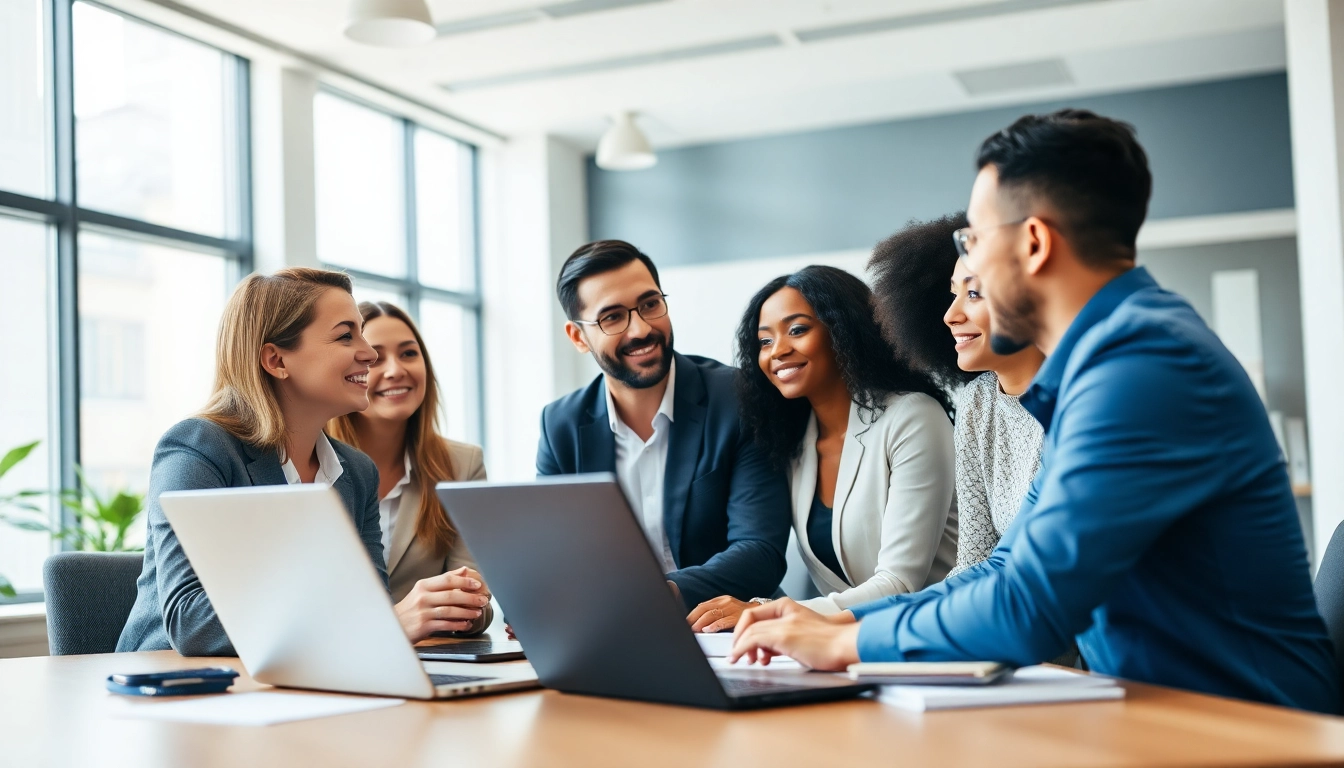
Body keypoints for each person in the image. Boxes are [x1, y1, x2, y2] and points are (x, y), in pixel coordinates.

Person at [729, 109, 1340, 714]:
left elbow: (1030, 607)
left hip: (1251, 728)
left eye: (973, 240)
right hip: (1165, 715)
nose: (964, 272)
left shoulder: (1144, 366)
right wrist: (836, 620)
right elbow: (1002, 567)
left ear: (1034, 243)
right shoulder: (1103, 365)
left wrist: (845, 643)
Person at [117, 268, 484, 656]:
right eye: (346, 336)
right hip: (177, 689)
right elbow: (191, 623)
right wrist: (376, 620)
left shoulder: (357, 472)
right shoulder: (199, 448)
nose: (370, 353)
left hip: (304, 683)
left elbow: (368, 609)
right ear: (276, 360)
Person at [686, 264, 957, 633]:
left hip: (940, 636)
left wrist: (766, 612)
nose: (778, 351)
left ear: (844, 330)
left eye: (797, 330)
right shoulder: (795, 444)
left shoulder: (913, 417)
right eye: (764, 341)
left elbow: (899, 584)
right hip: (855, 646)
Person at [536, 239, 791, 610]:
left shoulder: (738, 398)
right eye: (612, 317)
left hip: (729, 629)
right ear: (578, 337)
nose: (640, 329)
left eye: (650, 304)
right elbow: (550, 557)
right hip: (609, 632)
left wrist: (654, 597)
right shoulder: (560, 425)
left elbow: (760, 551)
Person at [867, 214, 1047, 576]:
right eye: (953, 294)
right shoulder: (978, 403)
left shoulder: (1077, 401)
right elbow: (974, 563)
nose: (950, 315)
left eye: (974, 292)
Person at [327, 301, 493, 638]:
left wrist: (467, 605)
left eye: (408, 354)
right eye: (374, 358)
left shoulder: (462, 465)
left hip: (427, 659)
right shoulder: (312, 462)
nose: (395, 370)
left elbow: (480, 601)